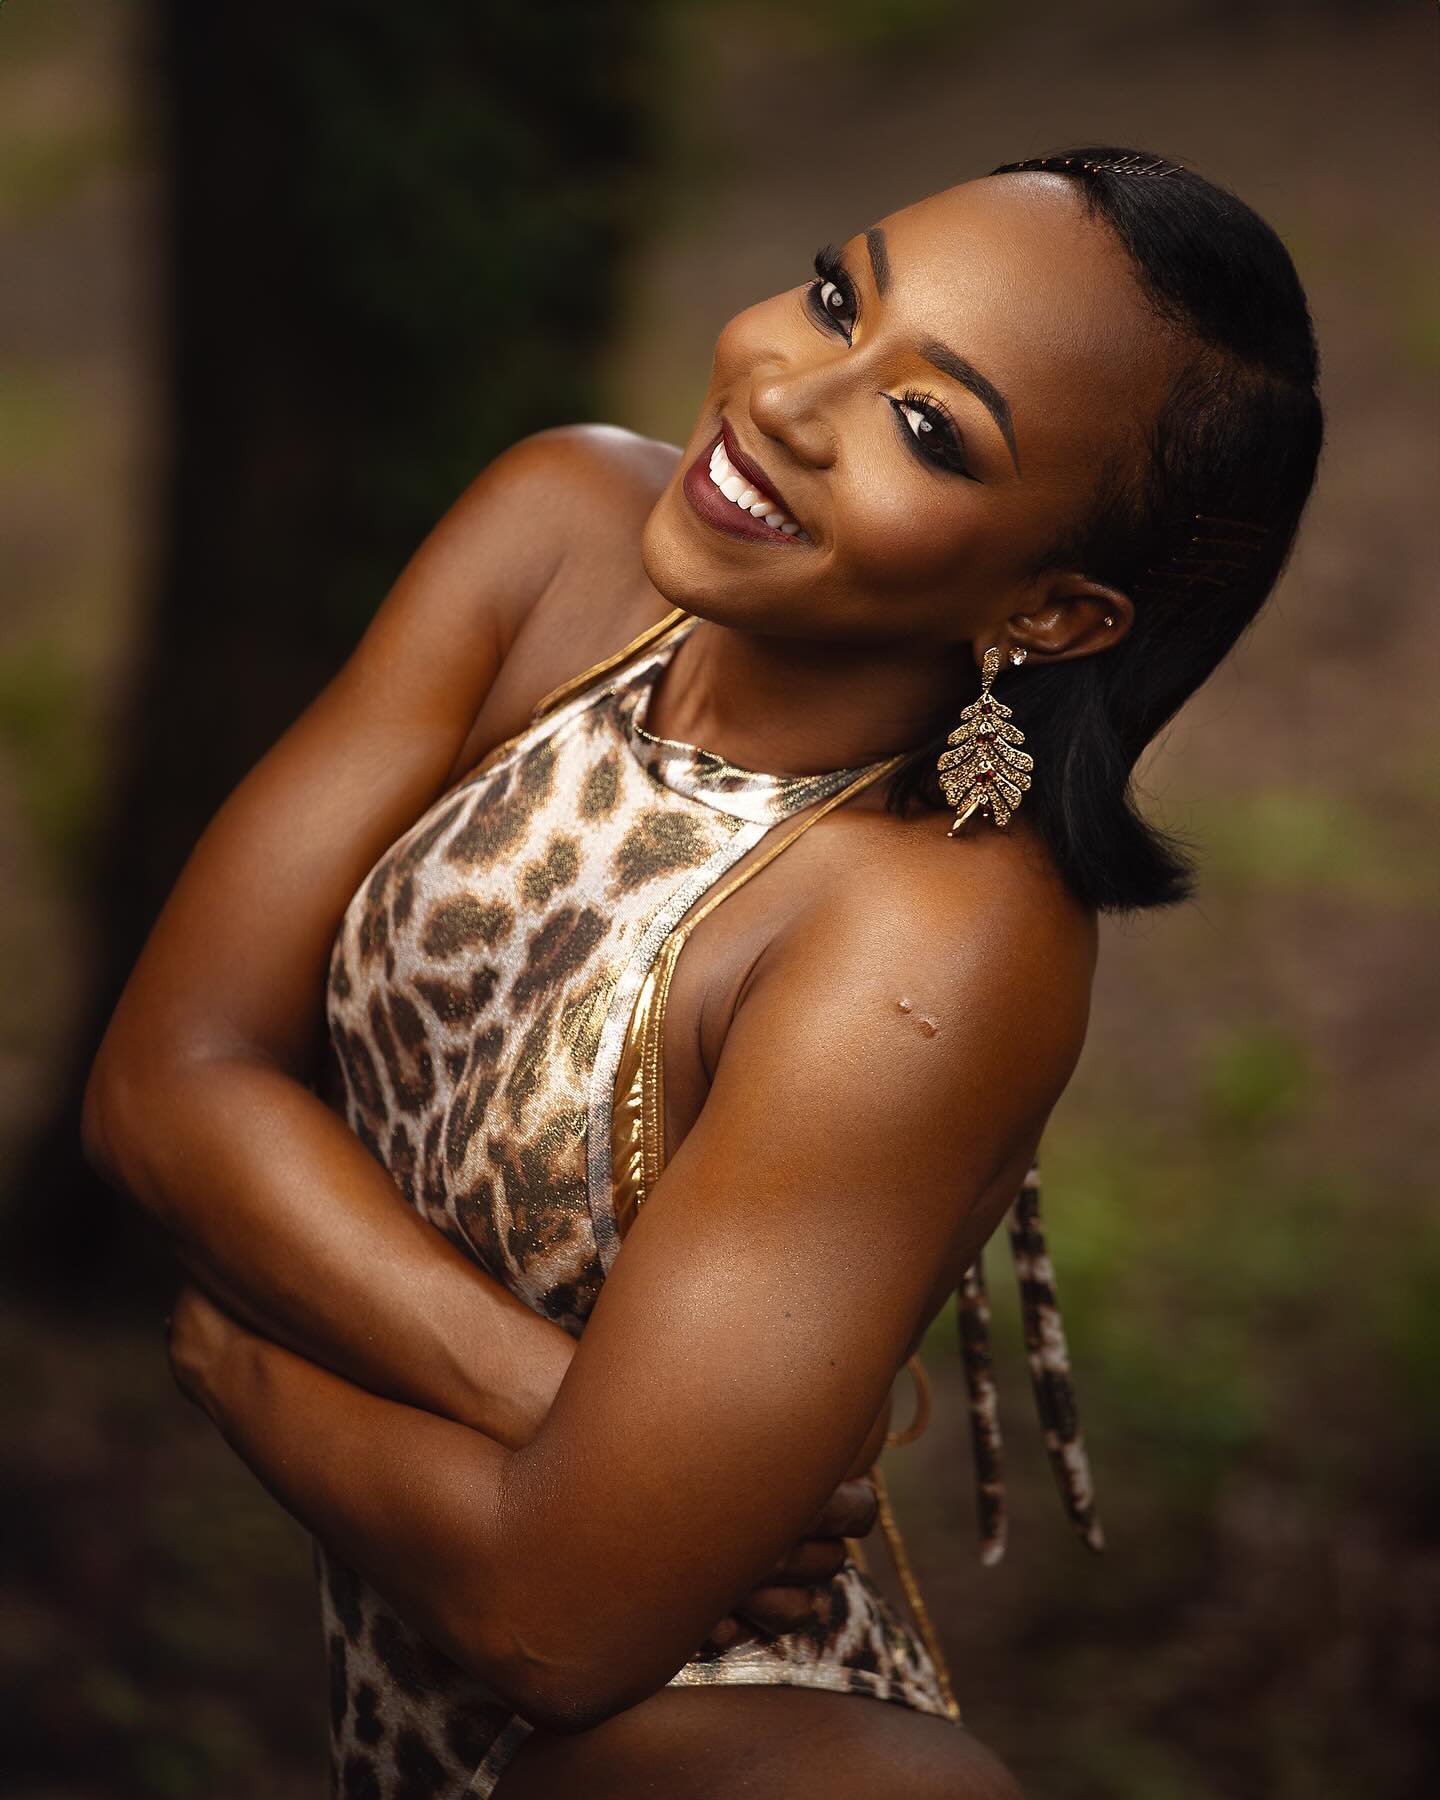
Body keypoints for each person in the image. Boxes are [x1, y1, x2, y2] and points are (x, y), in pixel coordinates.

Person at [81, 145, 1324, 1797]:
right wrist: (545, 1400)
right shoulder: (558, 527)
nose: (795, 397)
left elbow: (555, 1622)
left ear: (1061, 611)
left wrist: (243, 1359)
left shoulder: (940, 929)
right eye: (836, 297)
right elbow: (162, 1086)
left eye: (930, 429)